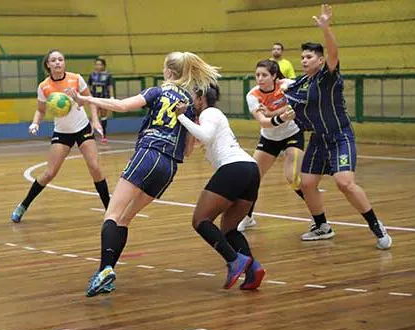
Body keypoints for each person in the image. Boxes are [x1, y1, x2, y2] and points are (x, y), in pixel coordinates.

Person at [67, 51, 220, 297]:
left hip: (148, 154)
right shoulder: (190, 105)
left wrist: (87, 100)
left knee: (112, 214)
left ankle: (105, 269)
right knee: (125, 219)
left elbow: (122, 105)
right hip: (169, 166)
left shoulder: (157, 91)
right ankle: (106, 275)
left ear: (169, 72)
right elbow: (189, 150)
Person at [284, 4, 392, 249]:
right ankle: (321, 226)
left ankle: (376, 225)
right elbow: (290, 108)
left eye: (309, 56)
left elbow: (333, 53)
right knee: (307, 183)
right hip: (318, 140)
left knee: (344, 183)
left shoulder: (328, 75)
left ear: (320, 60)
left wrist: (326, 29)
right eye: (302, 57)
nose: (304, 60)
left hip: (340, 136)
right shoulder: (299, 84)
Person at [175, 84, 273, 290]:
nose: (189, 100)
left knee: (200, 220)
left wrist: (181, 117)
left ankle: (234, 260)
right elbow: (188, 151)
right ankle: (253, 269)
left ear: (201, 99)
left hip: (234, 168)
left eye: (192, 96)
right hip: (250, 170)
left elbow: (207, 136)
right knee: (229, 229)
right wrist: (184, 120)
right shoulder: (206, 117)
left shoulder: (210, 112)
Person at [10, 49, 109, 223]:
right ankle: (23, 205)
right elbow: (40, 110)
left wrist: (95, 122)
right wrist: (35, 123)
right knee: (49, 173)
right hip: (62, 132)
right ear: (48, 64)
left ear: (64, 63)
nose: (57, 63)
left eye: (60, 59)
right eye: (53, 60)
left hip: (82, 128)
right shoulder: (44, 86)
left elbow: (90, 101)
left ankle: (110, 209)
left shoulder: (76, 78)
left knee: (95, 167)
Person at [238, 59, 304, 231]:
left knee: (292, 177)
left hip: (292, 134)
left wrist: (274, 112)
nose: (260, 78)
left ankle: (319, 217)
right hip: (269, 138)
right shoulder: (253, 95)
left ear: (274, 76)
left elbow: (300, 101)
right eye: (257, 75)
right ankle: (247, 217)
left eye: (264, 75)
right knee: (252, 178)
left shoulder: (287, 85)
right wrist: (280, 116)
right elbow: (264, 122)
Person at [88, 57, 114, 144]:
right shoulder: (92, 75)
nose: (98, 66)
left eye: (100, 64)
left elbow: (110, 86)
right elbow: (89, 86)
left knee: (103, 116)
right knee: (94, 116)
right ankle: (91, 135)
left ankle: (103, 135)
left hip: (104, 98)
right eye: (96, 64)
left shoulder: (107, 75)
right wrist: (89, 96)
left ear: (103, 65)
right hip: (95, 98)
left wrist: (111, 96)